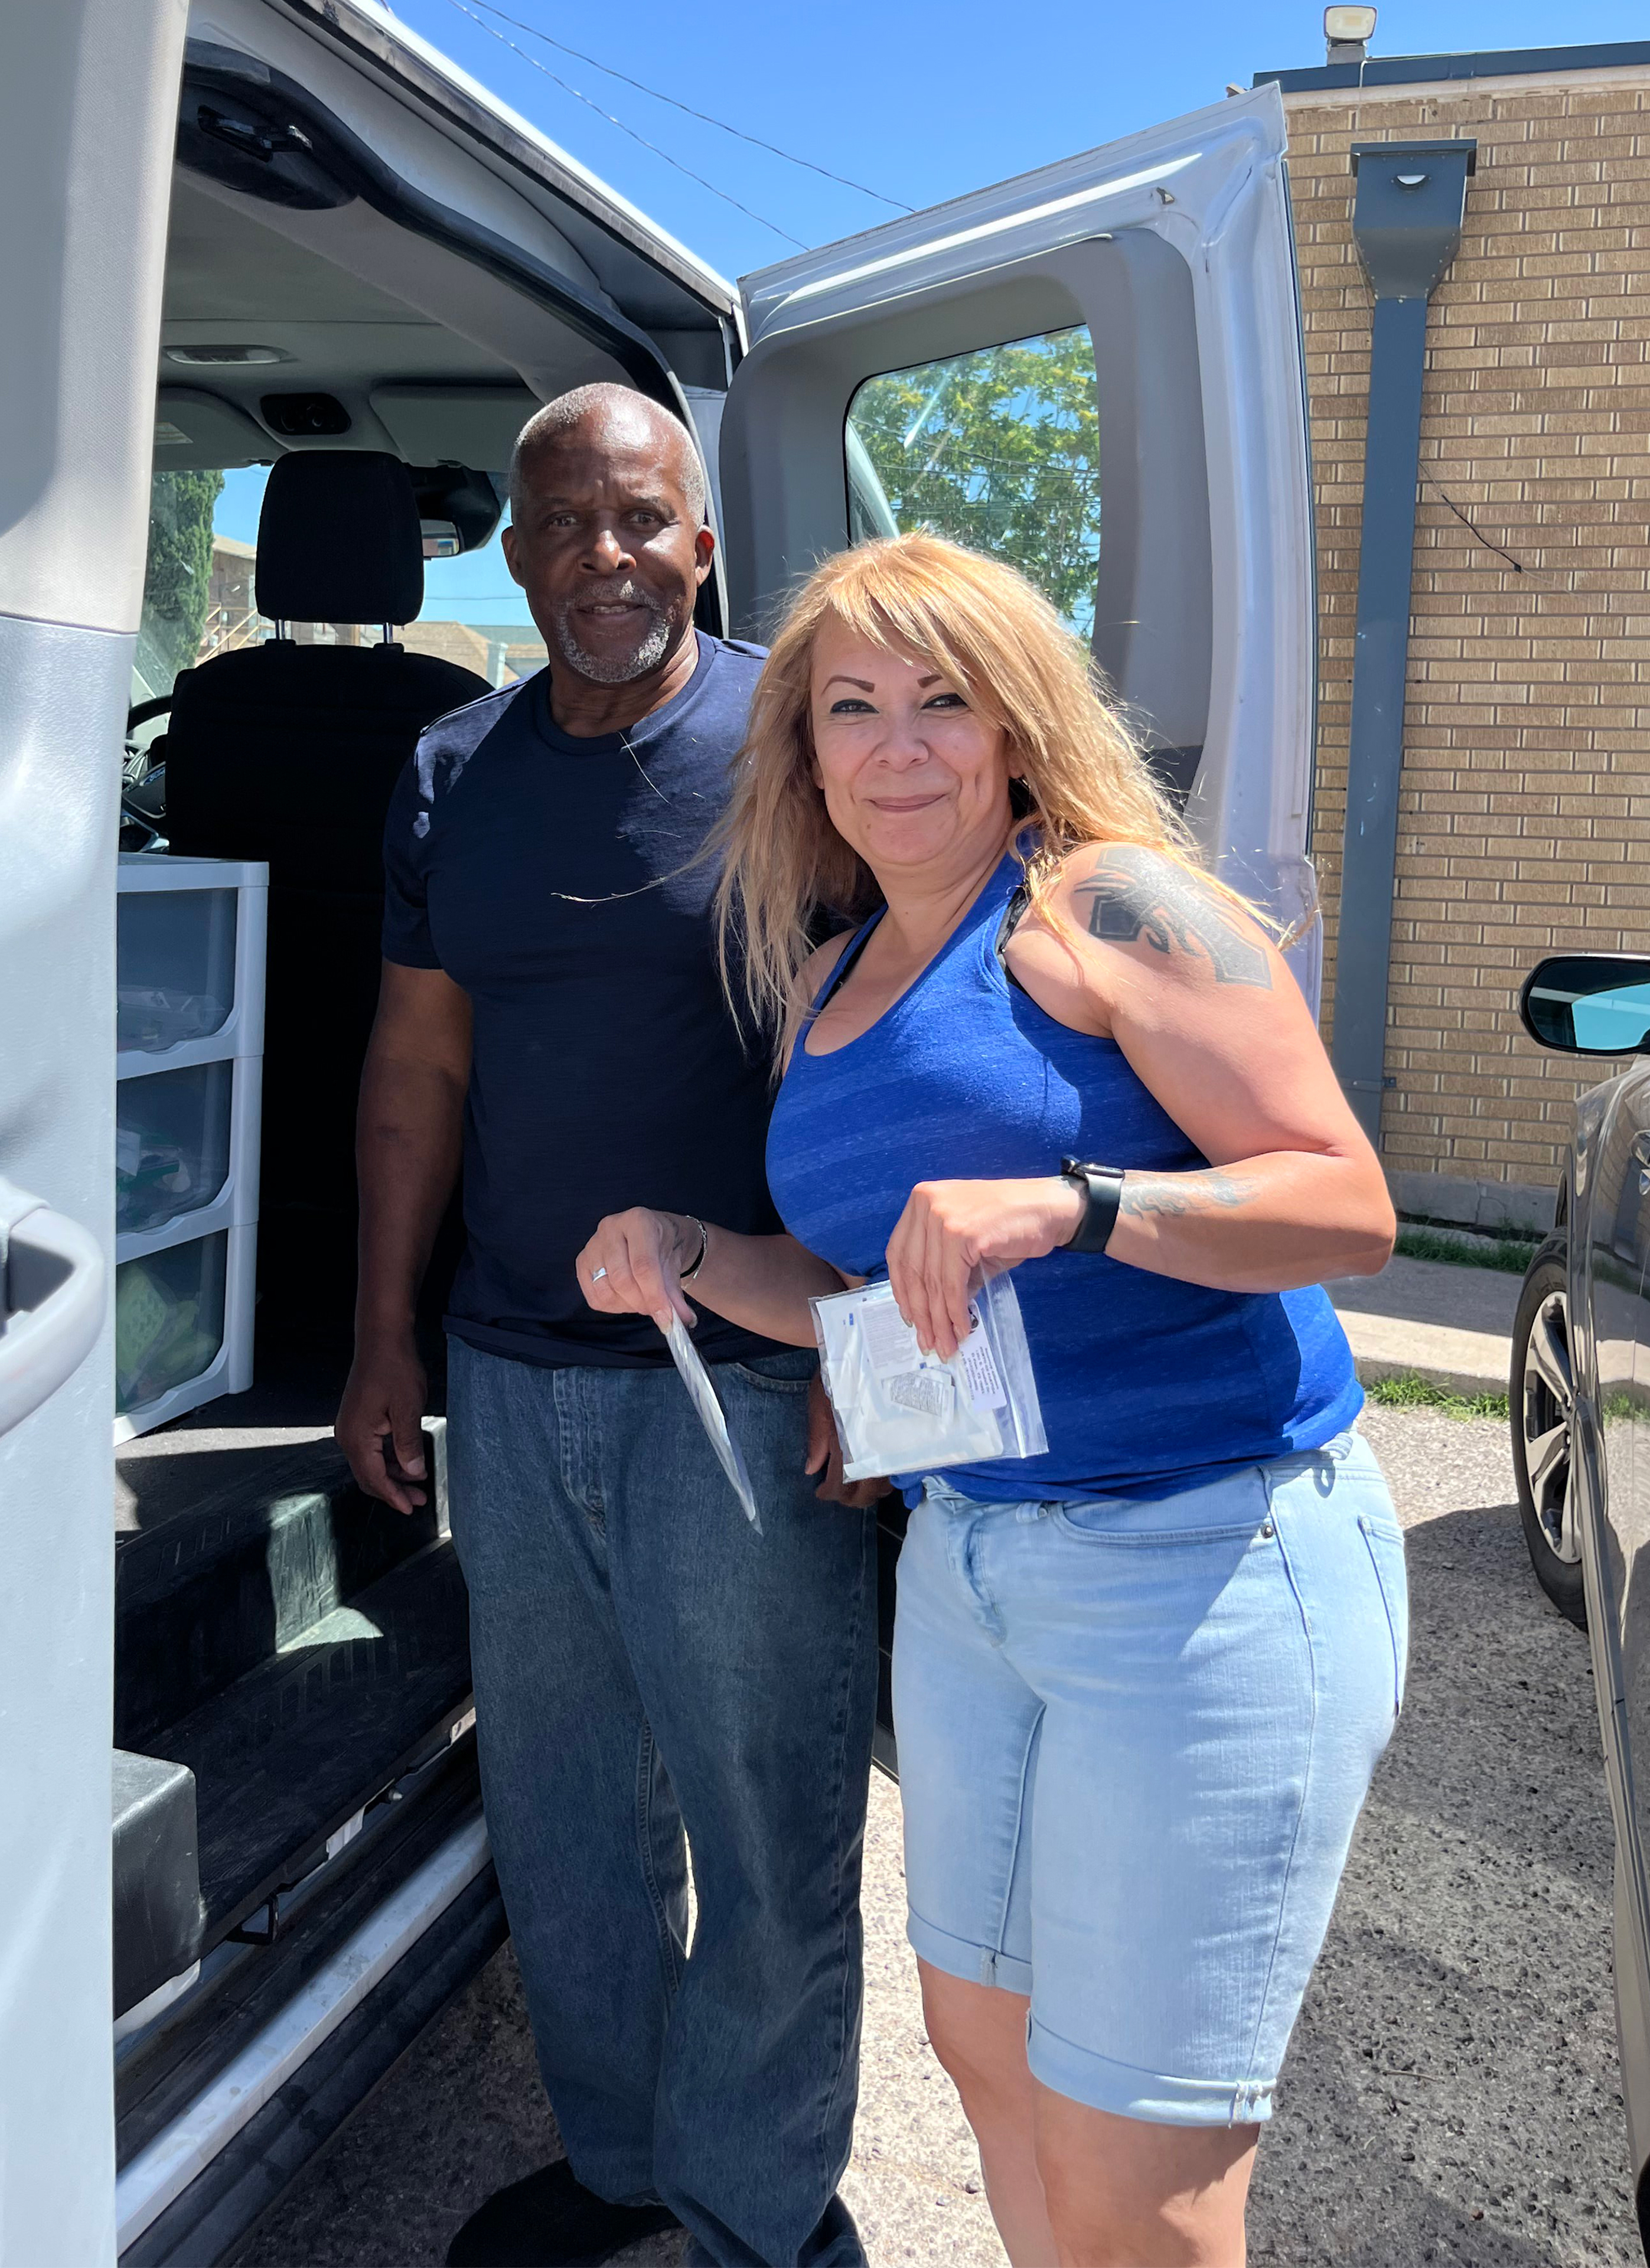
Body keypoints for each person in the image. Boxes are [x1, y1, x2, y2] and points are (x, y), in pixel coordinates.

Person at [577, 532, 1407, 2268]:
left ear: (1015, 723)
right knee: (992, 2059)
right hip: (972, 1571)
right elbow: (869, 1297)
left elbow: (1347, 1205)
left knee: (1139, 2164)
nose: (898, 747)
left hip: (1204, 1563)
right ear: (799, 748)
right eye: (850, 707)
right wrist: (686, 1250)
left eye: (942, 701)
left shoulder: (1102, 904)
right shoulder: (830, 979)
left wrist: (1084, 1201)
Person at [335, 384, 879, 2268]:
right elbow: (417, 1057)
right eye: (563, 523)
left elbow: (892, 1060)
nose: (603, 559)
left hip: (739, 1374)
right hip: (505, 1362)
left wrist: (863, 1354)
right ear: (513, 550)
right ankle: (627, 2172)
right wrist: (383, 1340)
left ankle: (752, 2217)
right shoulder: (446, 768)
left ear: (703, 541)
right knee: (564, 1820)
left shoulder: (790, 749)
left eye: (641, 519)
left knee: (761, 1817)